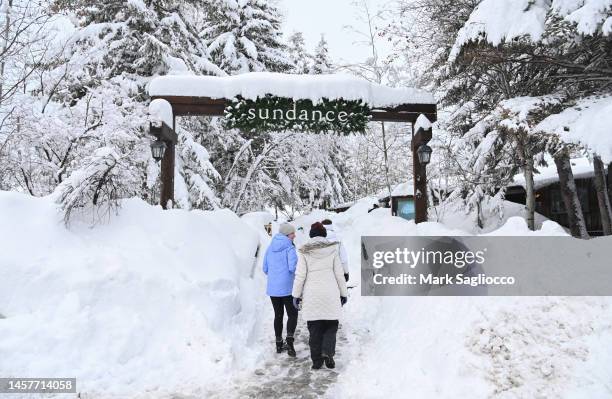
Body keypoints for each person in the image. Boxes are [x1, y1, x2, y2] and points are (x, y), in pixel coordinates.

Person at [292, 222, 348, 370]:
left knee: (314, 329)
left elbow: (300, 276)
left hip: (312, 294)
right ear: (324, 235)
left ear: (311, 235)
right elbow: (339, 275)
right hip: (330, 293)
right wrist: (344, 293)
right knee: (331, 326)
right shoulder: (333, 249)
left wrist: (296, 295)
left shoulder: (305, 251)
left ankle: (317, 361)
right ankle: (328, 353)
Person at [262, 223, 298, 357]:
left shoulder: (270, 248)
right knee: (292, 314)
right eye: (292, 233)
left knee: (278, 315)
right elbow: (292, 267)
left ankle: (278, 343)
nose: (294, 235)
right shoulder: (290, 248)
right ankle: (290, 341)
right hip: (288, 288)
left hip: (273, 289)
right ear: (287, 235)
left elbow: (265, 268)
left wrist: (275, 276)